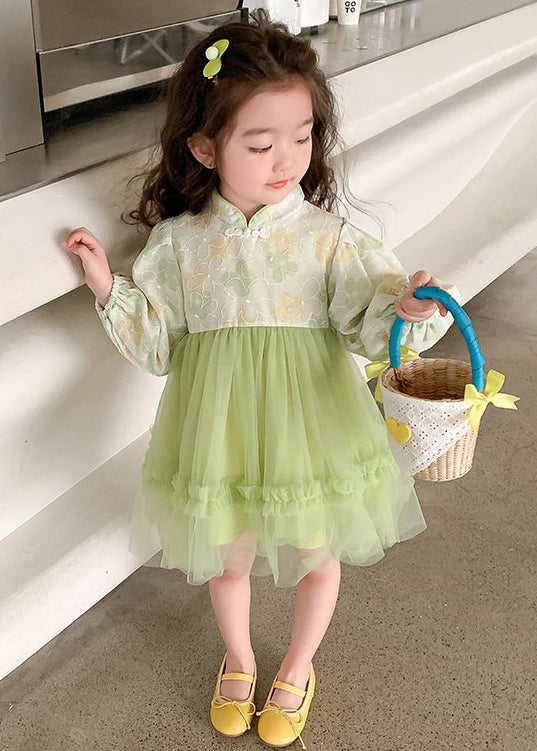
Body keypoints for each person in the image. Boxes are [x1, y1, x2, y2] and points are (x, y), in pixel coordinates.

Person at [64, 10, 460, 750]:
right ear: (204, 146)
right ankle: (241, 659)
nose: (288, 159)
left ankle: (298, 667)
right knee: (228, 554)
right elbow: (160, 345)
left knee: (317, 549)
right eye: (260, 143)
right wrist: (106, 286)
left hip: (310, 423)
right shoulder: (180, 243)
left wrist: (406, 308)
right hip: (216, 430)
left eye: (303, 136)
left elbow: (371, 325)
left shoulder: (327, 239)